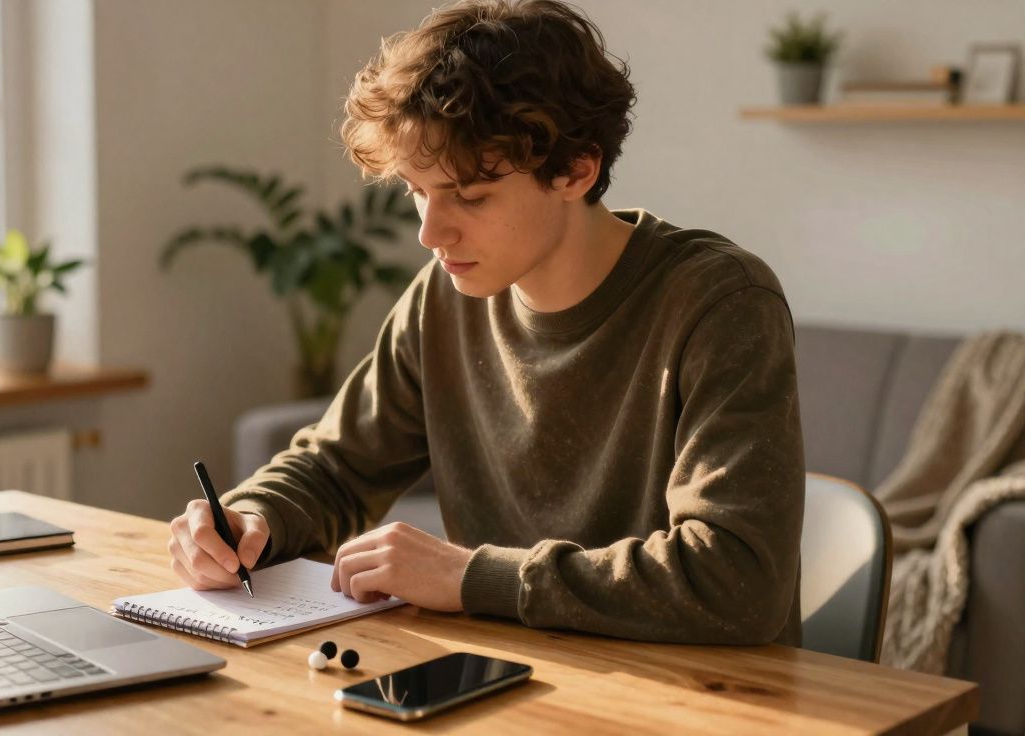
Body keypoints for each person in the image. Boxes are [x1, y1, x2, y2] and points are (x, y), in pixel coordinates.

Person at [167, 0, 805, 645]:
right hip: (509, 674)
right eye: (418, 191)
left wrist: (473, 577)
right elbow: (337, 468)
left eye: (469, 197)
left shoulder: (720, 302)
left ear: (576, 170)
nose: (428, 232)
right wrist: (251, 518)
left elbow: (739, 581)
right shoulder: (443, 298)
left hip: (697, 692)